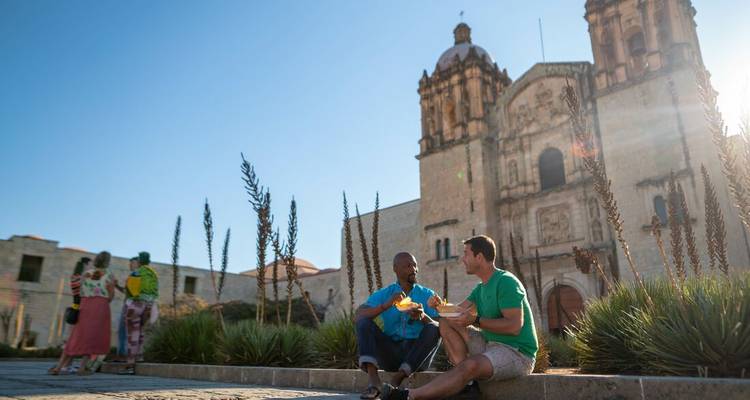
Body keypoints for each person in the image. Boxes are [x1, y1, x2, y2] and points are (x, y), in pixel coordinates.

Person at [383, 236, 538, 400]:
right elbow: (456, 312)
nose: (462, 259)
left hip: (516, 353)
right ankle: (469, 385)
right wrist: (438, 307)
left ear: (479, 257)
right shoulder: (481, 288)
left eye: (466, 254)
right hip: (490, 345)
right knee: (444, 320)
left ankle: (409, 396)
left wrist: (475, 320)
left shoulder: (506, 282)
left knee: (470, 365)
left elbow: (514, 327)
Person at [355, 252, 441, 399]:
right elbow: (358, 315)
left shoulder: (427, 295)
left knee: (434, 328)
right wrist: (386, 305)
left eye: (415, 265)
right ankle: (374, 382)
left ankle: (397, 379)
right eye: (408, 266)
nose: (414, 269)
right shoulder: (385, 294)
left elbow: (440, 326)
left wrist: (422, 316)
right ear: (395, 269)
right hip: (391, 354)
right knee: (364, 322)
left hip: (417, 356)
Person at [53, 252, 116, 376]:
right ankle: (82, 368)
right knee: (92, 336)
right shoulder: (109, 275)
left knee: (76, 335)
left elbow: (80, 290)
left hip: (85, 304)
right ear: (107, 262)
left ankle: (59, 367)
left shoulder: (86, 274)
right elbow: (111, 295)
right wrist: (103, 300)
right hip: (101, 306)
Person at [48, 256, 91, 375]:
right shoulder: (79, 279)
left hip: (75, 309)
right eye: (89, 265)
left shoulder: (75, 277)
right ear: (85, 265)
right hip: (79, 311)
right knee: (73, 339)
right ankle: (65, 366)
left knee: (73, 339)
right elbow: (84, 292)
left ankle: (66, 365)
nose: (91, 267)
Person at [119, 251, 159, 375]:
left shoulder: (136, 273)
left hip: (135, 305)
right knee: (141, 332)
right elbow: (155, 291)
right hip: (149, 305)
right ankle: (140, 357)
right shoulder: (153, 274)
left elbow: (130, 291)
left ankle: (129, 365)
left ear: (140, 261)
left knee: (132, 334)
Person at [113, 257, 139, 362]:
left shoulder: (135, 275)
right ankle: (126, 356)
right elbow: (126, 291)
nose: (130, 265)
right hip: (133, 306)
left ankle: (123, 356)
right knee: (127, 331)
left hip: (129, 306)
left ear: (138, 263)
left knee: (123, 331)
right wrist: (116, 286)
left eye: (132, 263)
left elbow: (130, 292)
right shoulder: (137, 276)